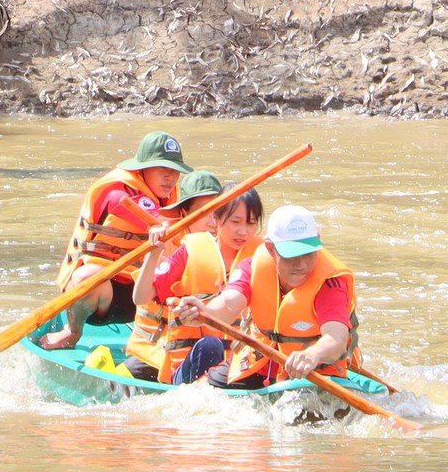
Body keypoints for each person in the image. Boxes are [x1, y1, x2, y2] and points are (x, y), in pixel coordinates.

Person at [39, 131, 195, 351]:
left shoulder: (173, 196)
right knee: (86, 277)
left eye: (175, 171)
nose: (170, 178)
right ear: (142, 169)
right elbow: (154, 219)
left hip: (143, 291)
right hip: (103, 295)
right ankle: (72, 331)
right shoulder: (117, 192)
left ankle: (175, 341)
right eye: (163, 169)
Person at [191, 205, 358, 389]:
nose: (301, 264)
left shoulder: (330, 284)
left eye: (308, 254)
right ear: (270, 248)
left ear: (318, 241)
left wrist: (312, 355)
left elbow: (336, 338)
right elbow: (228, 304)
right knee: (201, 389)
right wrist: (204, 312)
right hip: (259, 362)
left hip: (312, 372)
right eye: (291, 255)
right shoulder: (252, 268)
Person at [122, 173, 267, 384]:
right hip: (191, 363)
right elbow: (140, 297)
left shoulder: (263, 256)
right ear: (216, 219)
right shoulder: (189, 252)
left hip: (238, 364)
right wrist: (154, 252)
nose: (243, 231)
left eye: (251, 223)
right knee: (210, 346)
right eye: (235, 221)